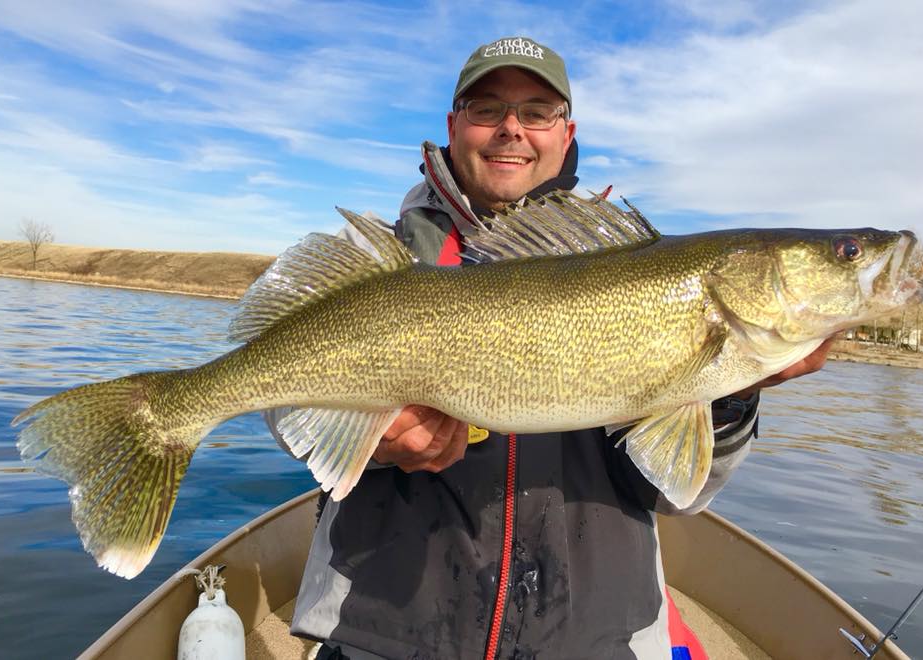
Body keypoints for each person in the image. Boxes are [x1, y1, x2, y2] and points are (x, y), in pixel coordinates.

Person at [280, 36, 832, 659]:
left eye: (536, 112)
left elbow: (672, 492)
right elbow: (281, 394)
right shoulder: (377, 263)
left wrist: (732, 396)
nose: (511, 129)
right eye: (487, 109)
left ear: (566, 133)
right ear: (453, 126)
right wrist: (371, 443)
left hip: (597, 640)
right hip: (382, 635)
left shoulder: (619, 262)